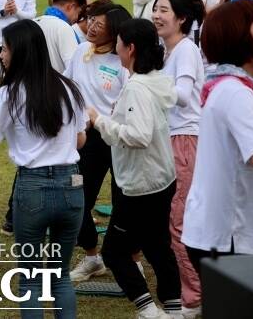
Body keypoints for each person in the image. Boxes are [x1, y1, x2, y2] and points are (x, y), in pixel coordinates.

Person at [0, 19, 86, 319]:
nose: (1, 55)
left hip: (32, 189)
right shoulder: (68, 88)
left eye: (5, 49)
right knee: (59, 276)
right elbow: (81, 139)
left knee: (31, 279)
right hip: (72, 188)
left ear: (19, 51)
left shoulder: (9, 94)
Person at [88, 18, 181, 319]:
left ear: (130, 48)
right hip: (161, 178)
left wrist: (101, 121)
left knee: (114, 252)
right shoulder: (155, 79)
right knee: (157, 246)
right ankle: (173, 309)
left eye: (118, 42)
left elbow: (139, 135)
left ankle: (149, 311)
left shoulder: (137, 88)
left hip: (141, 185)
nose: (114, 47)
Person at [182, 0, 253, 274]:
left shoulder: (233, 87)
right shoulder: (235, 92)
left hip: (224, 232)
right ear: (240, 38)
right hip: (230, 236)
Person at [65, 4, 132, 282]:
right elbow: (67, 86)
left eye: (98, 24)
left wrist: (103, 118)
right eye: (90, 20)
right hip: (85, 139)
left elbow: (130, 101)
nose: (90, 27)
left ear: (114, 31)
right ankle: (92, 256)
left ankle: (127, 258)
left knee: (124, 202)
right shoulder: (81, 52)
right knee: (76, 198)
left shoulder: (123, 61)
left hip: (117, 137)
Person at [152, 0, 204, 319]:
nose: (156, 15)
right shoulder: (170, 51)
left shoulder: (185, 50)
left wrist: (148, 89)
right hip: (172, 139)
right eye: (155, 9)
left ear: (181, 19)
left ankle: (194, 298)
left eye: (164, 10)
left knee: (179, 222)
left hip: (185, 140)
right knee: (173, 221)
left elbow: (183, 96)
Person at [35, 0, 87, 73]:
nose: (77, 18)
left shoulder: (33, 22)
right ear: (71, 6)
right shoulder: (64, 28)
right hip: (56, 85)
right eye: (79, 12)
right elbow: (74, 68)